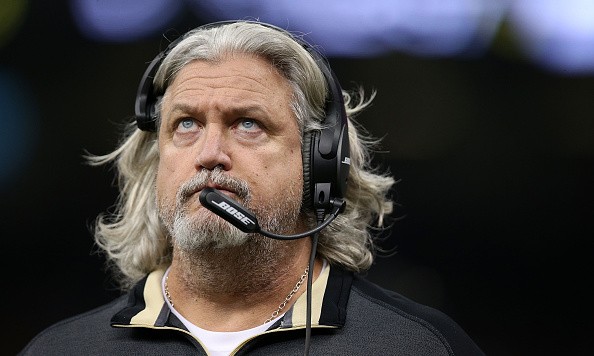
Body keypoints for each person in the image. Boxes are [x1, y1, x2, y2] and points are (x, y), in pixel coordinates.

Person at [19, 20, 484, 355]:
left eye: (247, 123)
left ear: (319, 164)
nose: (210, 152)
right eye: (185, 124)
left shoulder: (419, 346)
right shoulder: (61, 349)